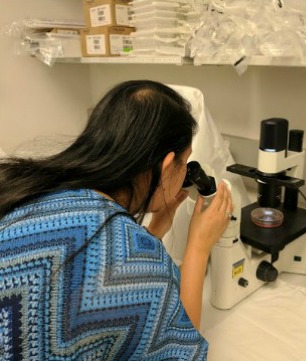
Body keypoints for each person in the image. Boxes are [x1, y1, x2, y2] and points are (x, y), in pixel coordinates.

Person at [0, 80, 232, 360]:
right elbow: (179, 351)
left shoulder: (26, 188)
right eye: (184, 164)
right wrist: (198, 246)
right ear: (168, 165)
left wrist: (153, 231)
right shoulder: (139, 266)